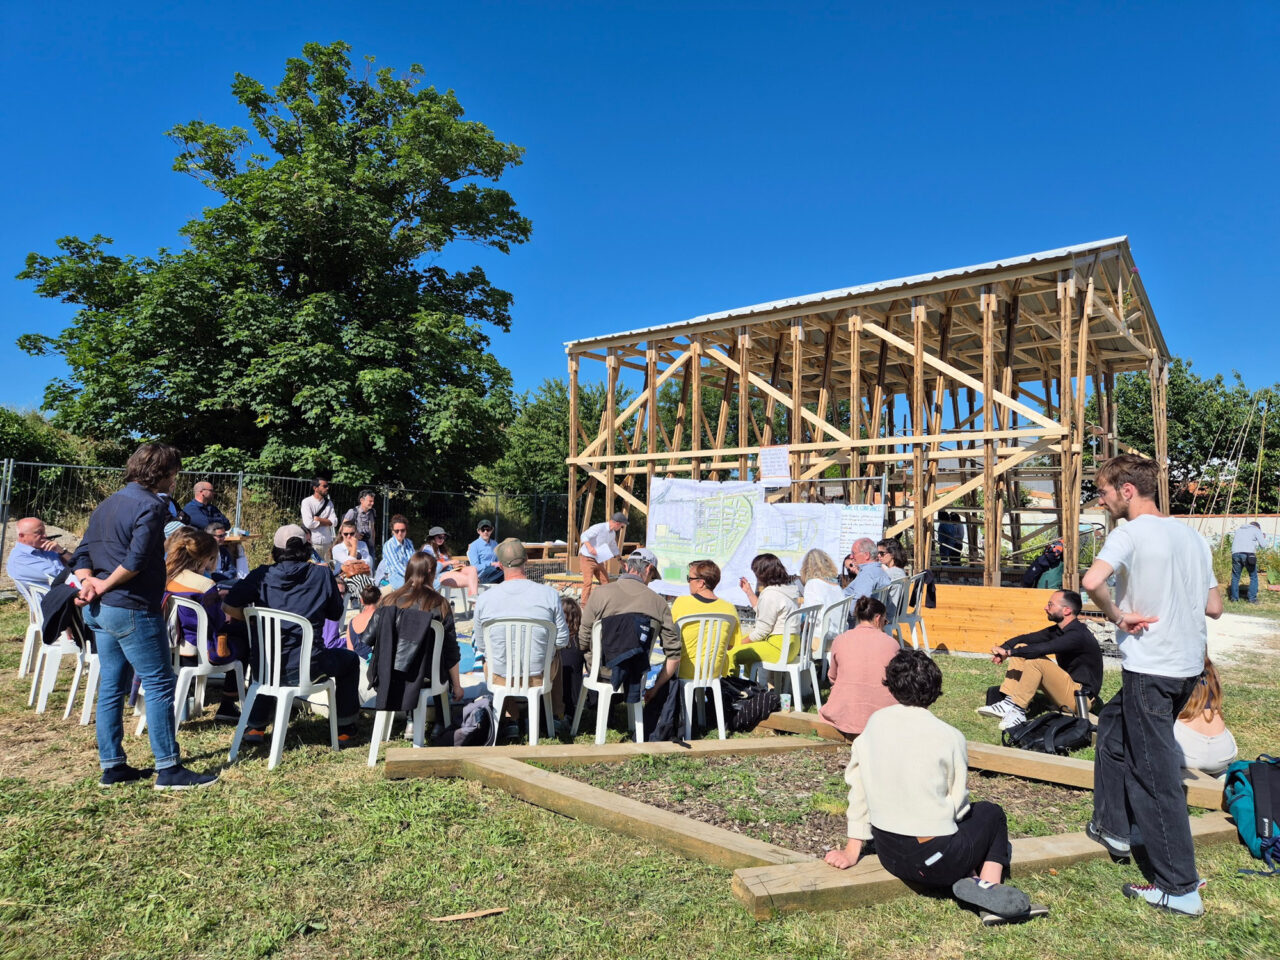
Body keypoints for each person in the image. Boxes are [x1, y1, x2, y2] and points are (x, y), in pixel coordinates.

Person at [1081, 454, 1222, 917]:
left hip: (1151, 668)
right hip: (1186, 667)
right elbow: (1215, 606)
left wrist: (1119, 615)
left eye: (1103, 492)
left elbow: (1091, 581)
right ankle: (1113, 826)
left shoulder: (1129, 533)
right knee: (1113, 729)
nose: (1101, 501)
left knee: (1154, 774)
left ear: (1126, 490)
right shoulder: (1191, 537)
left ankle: (1179, 886)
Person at [825, 649, 1043, 924]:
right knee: (991, 813)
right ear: (936, 688)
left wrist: (852, 849)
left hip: (890, 856)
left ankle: (970, 878)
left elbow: (858, 787)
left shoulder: (874, 725)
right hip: (935, 858)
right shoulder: (949, 736)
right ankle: (988, 889)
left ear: (891, 685)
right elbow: (959, 806)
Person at [71, 442, 217, 789]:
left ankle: (113, 765)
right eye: (175, 474)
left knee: (111, 685)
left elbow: (82, 553)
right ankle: (169, 768)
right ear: (165, 473)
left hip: (100, 610)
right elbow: (136, 561)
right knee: (159, 684)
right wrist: (102, 585)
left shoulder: (106, 504)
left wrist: (88, 582)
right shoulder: (152, 505)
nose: (176, 481)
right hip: (132, 607)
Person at [223, 523, 363, 746]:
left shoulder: (261, 574)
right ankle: (345, 728)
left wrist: (254, 620)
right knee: (350, 660)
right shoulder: (321, 573)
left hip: (266, 667)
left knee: (273, 657)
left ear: (276, 550)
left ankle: (256, 727)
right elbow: (335, 613)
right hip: (310, 666)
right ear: (306, 547)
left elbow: (228, 606)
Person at [473, 538, 570, 725]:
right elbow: (562, 640)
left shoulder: (484, 599)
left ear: (500, 565)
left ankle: (511, 718)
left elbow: (482, 645)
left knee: (492, 658)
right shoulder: (549, 595)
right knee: (556, 653)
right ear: (526, 560)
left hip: (500, 677)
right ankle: (557, 715)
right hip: (539, 675)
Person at [976, 589, 1103, 731]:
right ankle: (1009, 702)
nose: (1045, 608)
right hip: (1066, 690)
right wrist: (1003, 650)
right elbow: (1026, 639)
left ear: (1067, 610)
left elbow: (1042, 649)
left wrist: (1009, 652)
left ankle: (1018, 711)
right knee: (1022, 647)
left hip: (1080, 699)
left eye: (1050, 605)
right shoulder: (1059, 630)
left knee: (1036, 660)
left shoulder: (1077, 635)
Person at [163, 527, 248, 722]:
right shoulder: (204, 585)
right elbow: (217, 623)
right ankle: (228, 704)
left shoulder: (168, 577)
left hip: (173, 646)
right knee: (245, 636)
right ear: (205, 558)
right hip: (203, 650)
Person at [364, 551, 464, 715]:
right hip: (427, 675)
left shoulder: (388, 601)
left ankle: (411, 718)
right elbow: (451, 650)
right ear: (431, 573)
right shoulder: (440, 604)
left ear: (408, 571)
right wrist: (458, 686)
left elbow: (368, 638)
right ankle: (441, 721)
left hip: (388, 671)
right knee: (438, 658)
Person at [578, 548, 681, 705]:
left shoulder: (600, 593)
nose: (650, 581)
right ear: (648, 569)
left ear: (627, 566)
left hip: (600, 669)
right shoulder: (659, 603)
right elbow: (674, 654)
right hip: (636, 671)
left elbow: (583, 639)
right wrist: (654, 688)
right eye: (652, 577)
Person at [818, 596, 899, 739]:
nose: (884, 625)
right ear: (878, 618)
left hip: (846, 715)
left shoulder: (840, 639)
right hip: (884, 715)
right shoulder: (892, 644)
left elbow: (832, 677)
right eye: (885, 622)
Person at [726, 554, 801, 675]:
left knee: (730, 655)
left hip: (778, 648)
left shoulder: (770, 594)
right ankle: (750, 684)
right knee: (744, 643)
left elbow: (761, 632)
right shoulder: (787, 589)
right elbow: (765, 613)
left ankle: (731, 689)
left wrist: (737, 646)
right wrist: (749, 592)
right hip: (792, 645)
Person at [671, 559, 741, 679]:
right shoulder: (729, 609)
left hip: (684, 670)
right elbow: (730, 645)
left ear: (700, 583)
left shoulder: (681, 602)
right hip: (715, 672)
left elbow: (669, 637)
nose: (688, 582)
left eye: (689, 579)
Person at [1174, 657, 1238, 777]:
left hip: (1186, 752)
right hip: (1224, 752)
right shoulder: (1211, 670)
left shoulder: (1173, 665)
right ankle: (1220, 776)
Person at [578, 511, 627, 606]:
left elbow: (613, 547)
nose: (621, 528)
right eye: (622, 526)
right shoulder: (599, 527)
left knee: (606, 582)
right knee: (588, 582)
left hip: (598, 560)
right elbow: (583, 536)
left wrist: (621, 561)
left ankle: (607, 604)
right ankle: (584, 606)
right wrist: (590, 547)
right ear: (617, 523)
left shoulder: (612, 534)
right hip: (587, 558)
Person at [7, 516, 73, 584]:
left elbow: (77, 562)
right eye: (39, 532)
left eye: (44, 531)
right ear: (22, 536)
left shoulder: (45, 548)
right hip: (62, 592)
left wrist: (62, 551)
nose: (45, 535)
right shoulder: (19, 558)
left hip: (71, 587)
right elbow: (59, 575)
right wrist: (80, 570)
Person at [422, 526, 480, 597]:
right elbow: (431, 568)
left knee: (472, 569)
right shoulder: (428, 549)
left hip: (448, 572)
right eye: (440, 537)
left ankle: (473, 598)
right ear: (432, 538)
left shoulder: (442, 549)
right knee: (472, 580)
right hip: (436, 576)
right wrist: (450, 562)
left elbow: (447, 565)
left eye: (444, 537)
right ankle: (475, 601)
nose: (442, 539)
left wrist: (454, 566)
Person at [841, 537, 890, 619]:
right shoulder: (879, 571)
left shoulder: (867, 574)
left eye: (854, 553)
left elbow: (858, 607)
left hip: (851, 621)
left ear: (867, 555)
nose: (852, 556)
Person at [1229, 520, 1267, 604]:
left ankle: (1234, 599)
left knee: (1235, 577)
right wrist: (1262, 537)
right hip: (1248, 555)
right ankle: (1252, 599)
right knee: (1253, 577)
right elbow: (1263, 545)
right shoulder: (1255, 530)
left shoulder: (1239, 530)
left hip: (1235, 554)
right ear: (1258, 527)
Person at [300, 477, 337, 559]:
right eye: (324, 486)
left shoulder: (329, 503)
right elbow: (309, 524)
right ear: (315, 488)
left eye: (327, 486)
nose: (327, 488)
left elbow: (334, 522)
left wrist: (318, 519)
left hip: (327, 542)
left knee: (328, 569)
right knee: (313, 568)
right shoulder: (307, 502)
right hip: (312, 543)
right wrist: (327, 521)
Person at [375, 515, 415, 589]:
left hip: (409, 574)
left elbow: (414, 561)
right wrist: (411, 577)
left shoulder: (409, 543)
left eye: (402, 530)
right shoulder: (388, 545)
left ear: (406, 530)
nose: (400, 533)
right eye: (397, 531)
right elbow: (396, 566)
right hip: (392, 576)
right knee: (409, 587)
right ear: (393, 531)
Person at [876, 538, 909, 621]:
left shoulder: (890, 574)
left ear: (892, 554)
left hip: (886, 616)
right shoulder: (899, 571)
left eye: (882, 553)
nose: (878, 556)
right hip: (894, 614)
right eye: (878, 553)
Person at [341, 490, 378, 559]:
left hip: (369, 545)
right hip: (356, 545)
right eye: (370, 501)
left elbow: (372, 529)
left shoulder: (372, 512)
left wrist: (372, 543)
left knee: (370, 566)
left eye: (373, 501)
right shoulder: (353, 512)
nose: (372, 503)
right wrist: (355, 534)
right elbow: (342, 529)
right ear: (362, 500)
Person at [467, 520, 505, 585]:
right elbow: (475, 567)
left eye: (488, 529)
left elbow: (498, 561)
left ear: (492, 530)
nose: (485, 532)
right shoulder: (474, 546)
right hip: (482, 575)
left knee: (509, 571)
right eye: (483, 530)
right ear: (478, 531)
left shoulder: (495, 543)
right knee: (504, 574)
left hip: (495, 572)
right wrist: (491, 564)